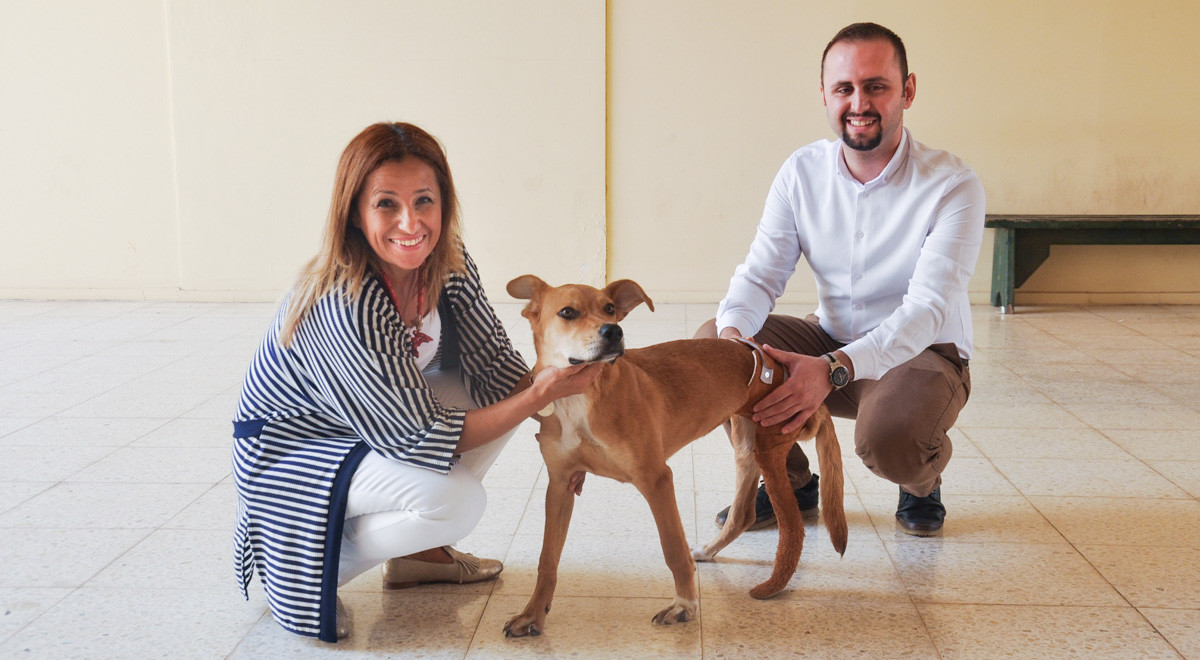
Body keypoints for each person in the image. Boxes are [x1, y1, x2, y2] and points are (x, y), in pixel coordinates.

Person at [232, 122, 602, 643]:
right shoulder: (348, 300)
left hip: (370, 424)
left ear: (444, 204)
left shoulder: (448, 262)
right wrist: (541, 397)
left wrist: (568, 434)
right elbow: (421, 435)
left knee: (504, 394)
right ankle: (296, 574)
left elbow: (497, 368)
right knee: (456, 502)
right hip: (295, 449)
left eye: (424, 200)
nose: (410, 223)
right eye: (387, 204)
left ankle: (418, 557)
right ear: (354, 212)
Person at [701, 22, 984, 537]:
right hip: (828, 337)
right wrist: (734, 337)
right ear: (825, 96)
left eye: (876, 86)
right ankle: (790, 483)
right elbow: (760, 275)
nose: (859, 103)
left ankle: (920, 481)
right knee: (713, 350)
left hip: (921, 354)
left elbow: (926, 310)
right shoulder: (801, 172)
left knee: (890, 439)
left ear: (908, 91)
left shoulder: (952, 185)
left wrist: (832, 369)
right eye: (844, 88)